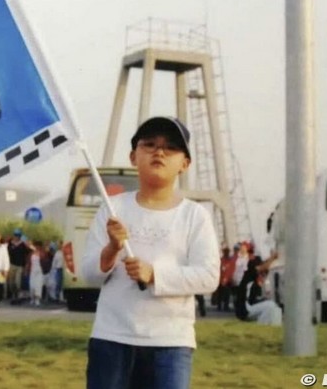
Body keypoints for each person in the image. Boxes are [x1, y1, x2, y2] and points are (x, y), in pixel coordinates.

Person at [81, 116, 219, 389]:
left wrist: (154, 274)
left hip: (170, 343)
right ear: (133, 156)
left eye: (170, 148)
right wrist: (111, 249)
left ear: (185, 163)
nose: (159, 152)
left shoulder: (194, 216)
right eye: (149, 144)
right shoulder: (112, 209)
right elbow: (88, 274)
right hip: (112, 338)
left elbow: (208, 276)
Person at [235, 243, 280, 325]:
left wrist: (271, 257)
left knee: (275, 309)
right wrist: (273, 257)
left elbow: (264, 267)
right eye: (250, 252)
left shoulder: (254, 277)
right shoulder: (250, 270)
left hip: (247, 307)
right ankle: (262, 326)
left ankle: (270, 327)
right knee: (271, 305)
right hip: (244, 309)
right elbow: (263, 267)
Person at [6, 228, 30, 301]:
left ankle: (18, 295)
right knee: (11, 283)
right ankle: (14, 294)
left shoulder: (23, 244)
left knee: (17, 282)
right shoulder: (10, 244)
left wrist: (26, 265)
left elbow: (28, 253)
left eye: (18, 235)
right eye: (15, 235)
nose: (17, 237)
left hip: (20, 266)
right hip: (11, 264)